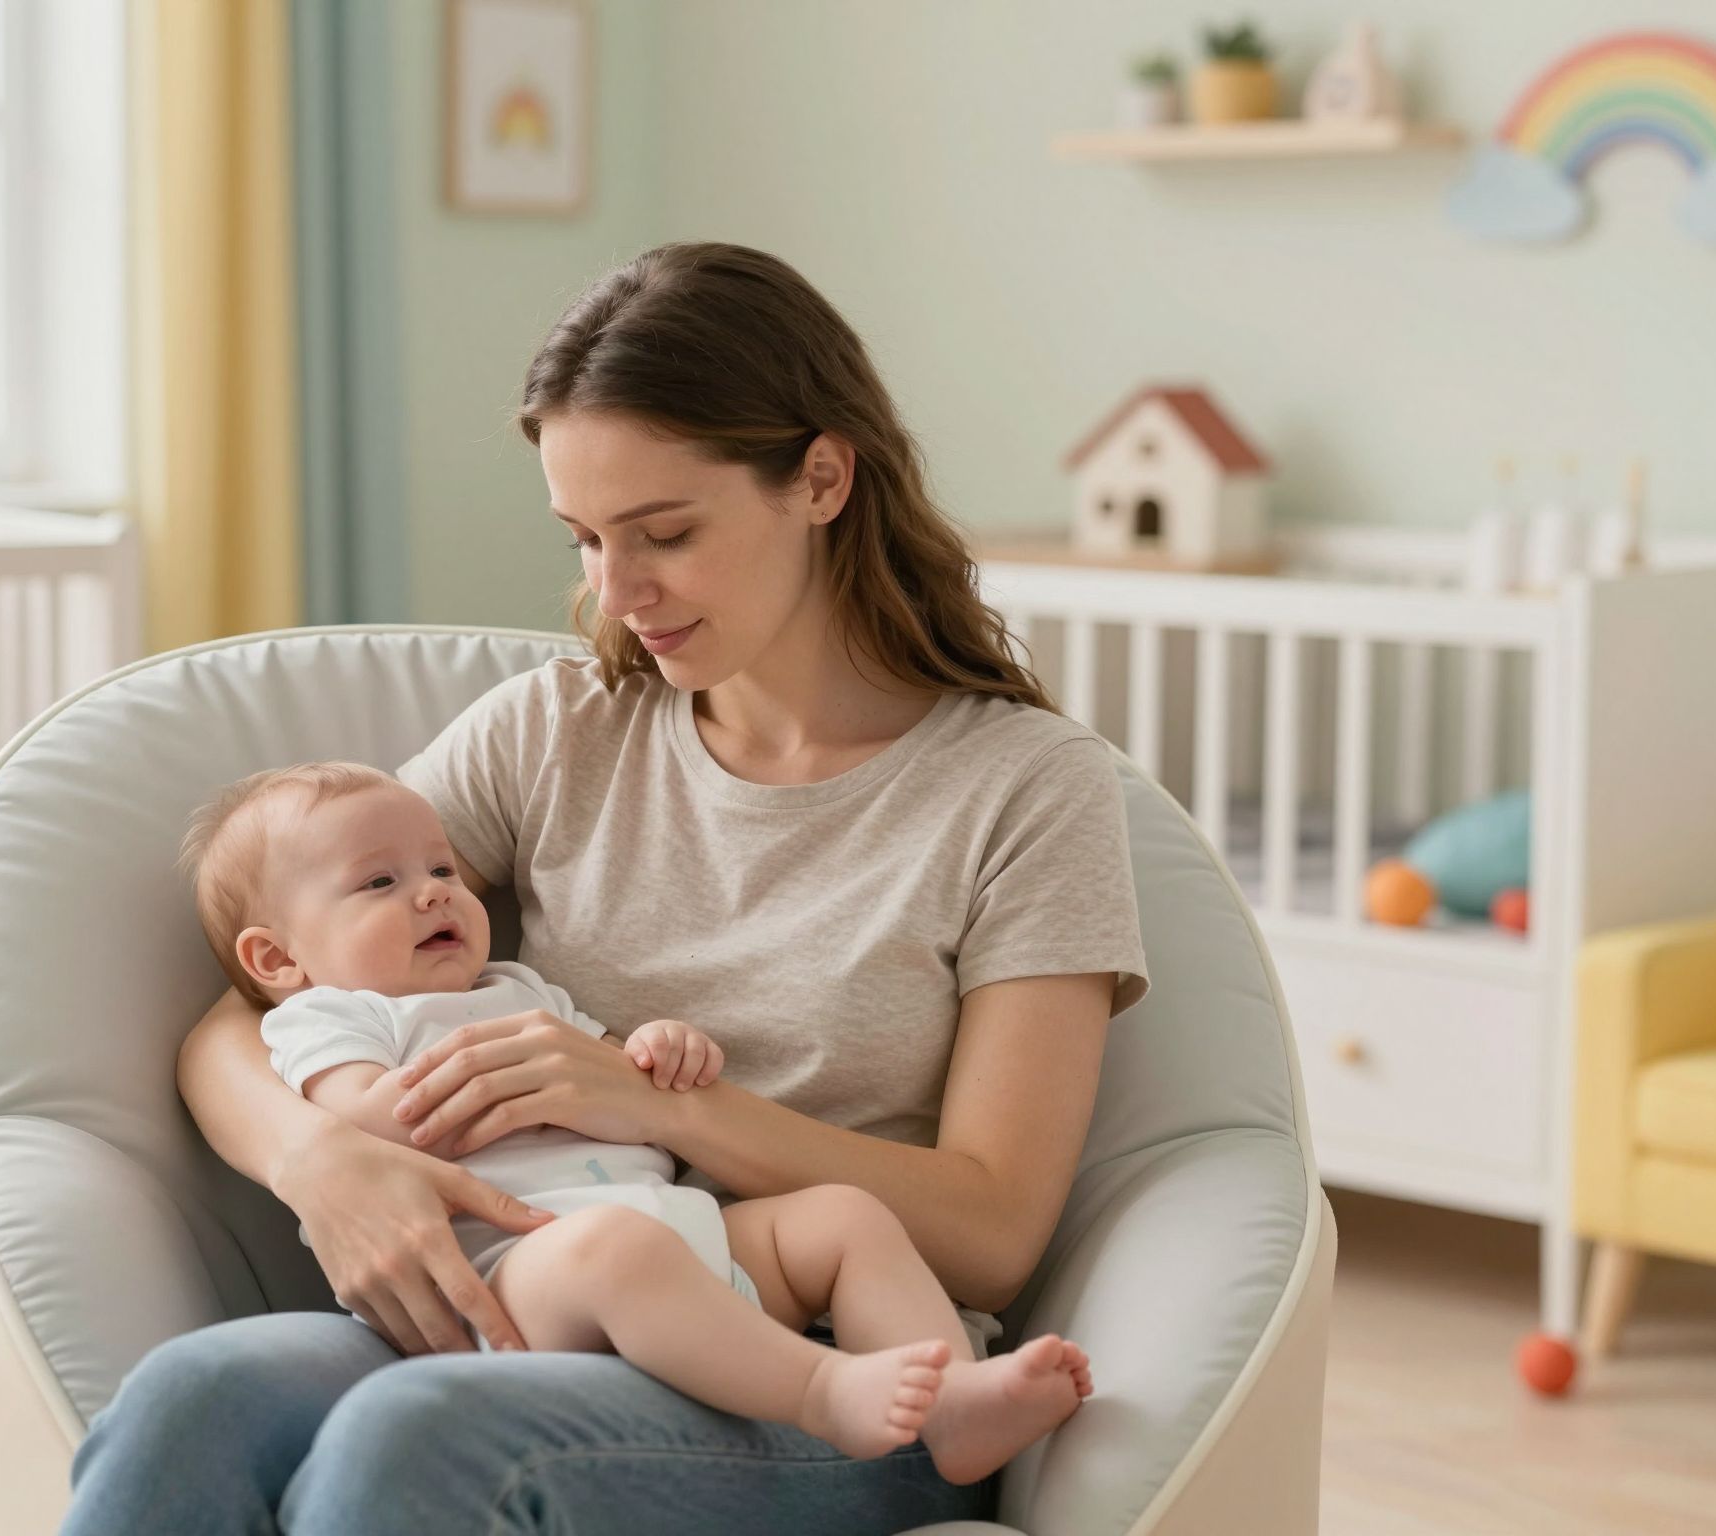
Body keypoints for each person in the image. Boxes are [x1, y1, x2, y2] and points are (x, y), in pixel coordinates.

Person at [63, 240, 1147, 1535]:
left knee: (417, 1441)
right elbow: (250, 999)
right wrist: (321, 1164)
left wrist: (659, 1106)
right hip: (536, 1298)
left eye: (665, 534)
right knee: (196, 1397)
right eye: (585, 539)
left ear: (821, 476)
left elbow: (993, 1228)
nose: (616, 595)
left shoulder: (1027, 790)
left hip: (836, 1373)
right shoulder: (560, 729)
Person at [178, 760, 1096, 1479]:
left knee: (844, 1216)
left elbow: (622, 1083)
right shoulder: (336, 1019)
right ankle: (823, 1390)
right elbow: (367, 1129)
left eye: (443, 869)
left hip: (689, 1244)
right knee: (611, 1250)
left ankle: (955, 1402)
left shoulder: (519, 991)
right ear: (279, 959)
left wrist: (659, 1057)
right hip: (519, 1279)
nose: (434, 893)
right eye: (379, 883)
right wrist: (337, 1147)